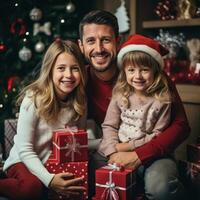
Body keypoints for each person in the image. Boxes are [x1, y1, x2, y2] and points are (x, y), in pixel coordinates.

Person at [78, 10, 190, 200]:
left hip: (153, 152)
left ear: (117, 41)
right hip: (113, 150)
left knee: (161, 188)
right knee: (90, 178)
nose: (99, 48)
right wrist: (112, 151)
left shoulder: (152, 77)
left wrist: (138, 155)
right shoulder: (79, 79)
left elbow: (181, 126)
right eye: (90, 41)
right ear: (81, 46)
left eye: (105, 40)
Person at [0, 40, 87, 200]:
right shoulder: (33, 99)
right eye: (61, 68)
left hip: (54, 162)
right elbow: (25, 149)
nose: (68, 75)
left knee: (77, 183)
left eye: (75, 68)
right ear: (50, 70)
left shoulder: (79, 102)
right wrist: (50, 180)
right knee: (33, 188)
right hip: (23, 160)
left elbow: (79, 142)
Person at [99, 34, 172, 157]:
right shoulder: (120, 96)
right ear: (124, 72)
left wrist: (129, 147)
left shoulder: (162, 100)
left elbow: (158, 135)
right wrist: (112, 150)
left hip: (146, 152)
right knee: (94, 163)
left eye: (144, 70)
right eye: (131, 70)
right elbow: (109, 125)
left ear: (155, 71)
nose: (137, 76)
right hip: (117, 148)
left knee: (159, 173)